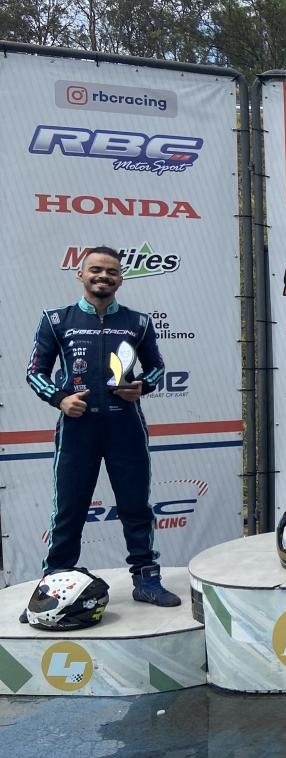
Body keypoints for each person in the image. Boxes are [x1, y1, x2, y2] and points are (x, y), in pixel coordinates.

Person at [24, 246, 180, 615]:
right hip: (78, 430)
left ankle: (146, 579)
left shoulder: (138, 322)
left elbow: (156, 368)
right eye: (95, 269)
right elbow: (34, 372)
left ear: (120, 279)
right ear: (80, 274)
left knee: (136, 507)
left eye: (111, 271)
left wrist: (142, 386)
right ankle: (52, 589)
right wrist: (60, 399)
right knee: (69, 510)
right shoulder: (56, 320)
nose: (103, 276)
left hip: (126, 427)